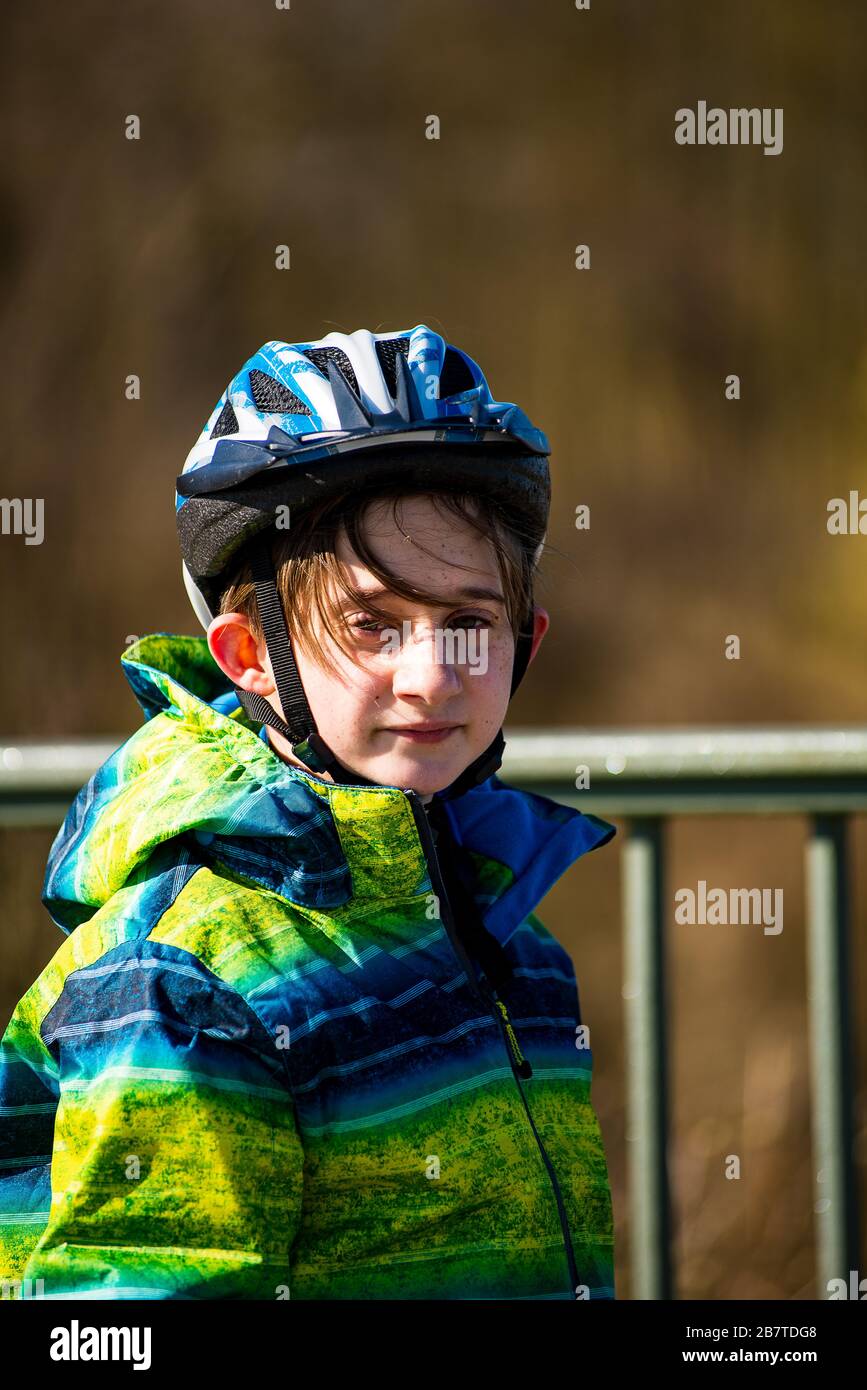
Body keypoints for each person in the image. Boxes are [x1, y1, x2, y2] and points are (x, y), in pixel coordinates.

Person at [0, 324, 617, 1300]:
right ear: (249, 657)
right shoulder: (178, 984)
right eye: (370, 625)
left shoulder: (517, 945)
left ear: (525, 640)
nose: (429, 678)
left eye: (467, 624)